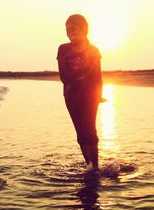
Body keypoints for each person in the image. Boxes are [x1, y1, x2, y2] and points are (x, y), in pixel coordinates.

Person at [57, 14, 103, 173]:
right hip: (71, 96)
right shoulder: (63, 49)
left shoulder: (94, 51)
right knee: (80, 132)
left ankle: (95, 167)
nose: (69, 32)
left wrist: (99, 94)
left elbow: (97, 76)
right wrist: (82, 75)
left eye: (73, 28)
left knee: (90, 130)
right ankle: (88, 164)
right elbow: (64, 77)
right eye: (67, 29)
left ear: (84, 29)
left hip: (90, 95)